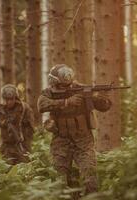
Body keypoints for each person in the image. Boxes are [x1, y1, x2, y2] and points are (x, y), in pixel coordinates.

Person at [37, 64, 112, 198]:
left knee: (90, 178)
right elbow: (41, 105)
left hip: (83, 141)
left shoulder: (82, 89)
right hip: (61, 141)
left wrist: (102, 97)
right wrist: (66, 102)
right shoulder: (49, 92)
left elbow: (104, 107)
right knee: (60, 181)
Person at [0, 84, 34, 164]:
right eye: (6, 99)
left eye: (11, 99)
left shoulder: (24, 108)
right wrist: (2, 123)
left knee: (24, 168)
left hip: (21, 144)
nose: (9, 102)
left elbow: (31, 127)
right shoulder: (0, 109)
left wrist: (24, 139)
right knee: (4, 168)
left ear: (15, 98)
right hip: (6, 145)